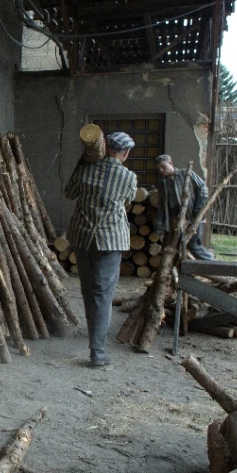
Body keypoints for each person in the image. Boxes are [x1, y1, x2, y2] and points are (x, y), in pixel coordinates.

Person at [65, 132, 138, 367]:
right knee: (103, 294)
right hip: (110, 240)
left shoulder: (86, 169)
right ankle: (97, 351)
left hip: (82, 237)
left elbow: (69, 193)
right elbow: (127, 200)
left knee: (88, 290)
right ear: (125, 153)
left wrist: (82, 162)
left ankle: (94, 341)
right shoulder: (128, 176)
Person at [154, 154, 215, 261]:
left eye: (163, 166)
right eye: (158, 168)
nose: (161, 170)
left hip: (191, 216)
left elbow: (202, 188)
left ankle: (214, 266)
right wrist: (160, 221)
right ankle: (184, 272)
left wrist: (199, 209)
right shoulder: (162, 183)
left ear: (170, 163)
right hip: (174, 219)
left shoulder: (186, 174)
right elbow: (162, 204)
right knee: (174, 247)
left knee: (194, 245)